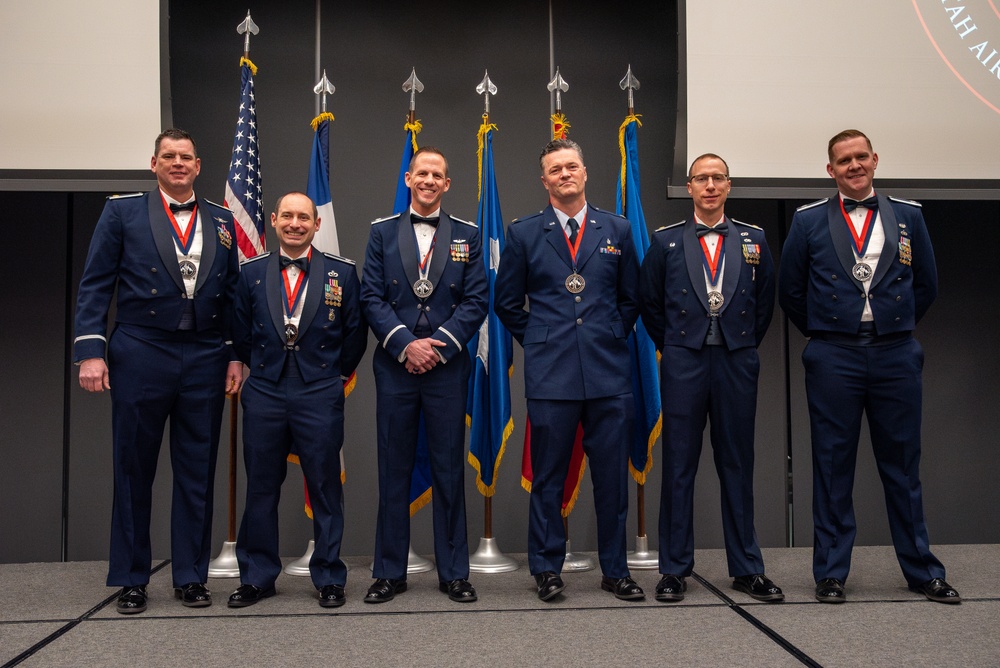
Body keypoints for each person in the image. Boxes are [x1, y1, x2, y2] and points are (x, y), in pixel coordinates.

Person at [778, 129, 959, 604]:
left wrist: (891, 327)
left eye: (861, 157)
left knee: (902, 466)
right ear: (830, 170)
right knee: (833, 465)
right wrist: (830, 331)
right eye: (843, 160)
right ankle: (831, 574)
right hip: (834, 355)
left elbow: (927, 284)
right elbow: (791, 291)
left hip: (895, 352)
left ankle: (922, 570)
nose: (853, 165)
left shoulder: (909, 216)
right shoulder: (808, 220)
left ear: (875, 160)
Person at [74, 128, 242, 614]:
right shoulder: (121, 211)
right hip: (141, 352)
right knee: (133, 469)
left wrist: (234, 353)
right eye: (168, 157)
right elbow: (95, 285)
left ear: (198, 164)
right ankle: (131, 577)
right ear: (154, 164)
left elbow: (232, 295)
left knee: (197, 470)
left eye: (185, 157)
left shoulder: (223, 219)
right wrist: (91, 351)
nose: (177, 164)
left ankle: (190, 576)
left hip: (206, 356)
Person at [494, 138, 644, 602]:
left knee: (611, 479)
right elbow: (506, 303)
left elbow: (631, 297)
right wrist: (540, 338)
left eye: (571, 166)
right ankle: (545, 568)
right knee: (548, 478)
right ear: (544, 180)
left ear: (585, 172)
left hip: (607, 372)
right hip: (551, 374)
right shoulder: (522, 233)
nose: (565, 174)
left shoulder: (616, 229)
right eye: (555, 169)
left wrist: (612, 333)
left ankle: (615, 570)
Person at [639, 153, 782, 603]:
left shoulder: (754, 240)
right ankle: (674, 570)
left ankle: (746, 568)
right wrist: (678, 345)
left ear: (729, 185)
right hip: (683, 360)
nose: (710, 185)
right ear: (689, 187)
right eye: (701, 178)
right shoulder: (665, 243)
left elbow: (765, 305)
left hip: (737, 361)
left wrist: (738, 344)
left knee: (738, 464)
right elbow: (649, 305)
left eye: (718, 178)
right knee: (679, 465)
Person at [226, 192, 367, 609]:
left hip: (319, 390)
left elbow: (354, 333)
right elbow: (240, 330)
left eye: (303, 217)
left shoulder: (341, 273)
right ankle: (257, 577)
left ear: (316, 224)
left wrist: (332, 376)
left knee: (325, 487)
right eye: (287, 216)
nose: (295, 223)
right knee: (261, 488)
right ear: (273, 220)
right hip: (266, 388)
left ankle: (328, 577)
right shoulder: (251, 273)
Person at [360, 147, 487, 604]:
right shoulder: (381, 233)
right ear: (409, 178)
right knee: (393, 468)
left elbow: (477, 300)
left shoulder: (467, 235)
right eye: (422, 173)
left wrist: (439, 346)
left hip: (446, 367)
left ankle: (454, 572)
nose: (429, 180)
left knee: (450, 469)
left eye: (438, 174)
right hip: (396, 366)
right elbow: (370, 296)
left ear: (447, 184)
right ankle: (389, 572)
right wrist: (403, 344)